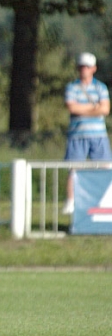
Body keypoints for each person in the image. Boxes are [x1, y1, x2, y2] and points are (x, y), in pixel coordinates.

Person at [62, 52, 111, 215]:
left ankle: (105, 202)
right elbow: (72, 107)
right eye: (82, 66)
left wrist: (84, 110)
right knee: (74, 169)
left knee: (105, 167)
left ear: (94, 68)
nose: (84, 69)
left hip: (98, 136)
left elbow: (105, 109)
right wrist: (94, 109)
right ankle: (70, 202)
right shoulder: (72, 87)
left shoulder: (100, 87)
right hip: (77, 135)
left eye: (88, 67)